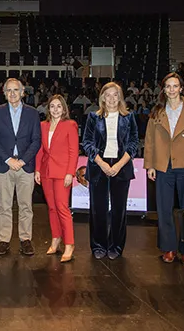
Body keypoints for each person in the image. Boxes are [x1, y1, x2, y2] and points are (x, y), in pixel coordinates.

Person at [144, 72, 184, 266]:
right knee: (164, 209)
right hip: (163, 165)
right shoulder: (157, 111)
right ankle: (169, 248)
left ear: (181, 88)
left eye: (175, 86)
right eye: (168, 86)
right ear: (163, 89)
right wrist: (150, 165)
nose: (171, 90)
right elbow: (149, 141)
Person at [80, 82, 140, 260]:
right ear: (102, 98)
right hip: (98, 166)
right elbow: (87, 143)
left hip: (121, 165)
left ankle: (116, 246)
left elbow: (134, 143)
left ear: (120, 97)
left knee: (119, 210)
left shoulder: (129, 117)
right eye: (108, 95)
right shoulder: (93, 117)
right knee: (97, 209)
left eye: (115, 95)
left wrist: (118, 165)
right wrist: (102, 163)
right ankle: (98, 245)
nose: (112, 98)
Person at [0, 77, 42, 256]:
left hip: (25, 166)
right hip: (4, 166)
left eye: (16, 90)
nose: (12, 93)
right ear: (4, 94)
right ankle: (4, 240)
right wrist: (8, 160)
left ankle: (25, 239)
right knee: (4, 205)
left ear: (22, 92)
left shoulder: (32, 113)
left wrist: (23, 161)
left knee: (26, 205)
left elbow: (36, 140)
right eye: (9, 90)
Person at [35, 94, 79, 263]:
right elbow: (40, 150)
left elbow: (73, 151)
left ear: (64, 109)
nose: (55, 109)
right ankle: (56, 239)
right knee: (52, 208)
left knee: (62, 208)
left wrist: (70, 173)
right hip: (46, 171)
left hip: (62, 173)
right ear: (48, 109)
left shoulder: (70, 125)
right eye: (52, 106)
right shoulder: (43, 125)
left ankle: (69, 244)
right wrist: (37, 170)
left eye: (59, 106)